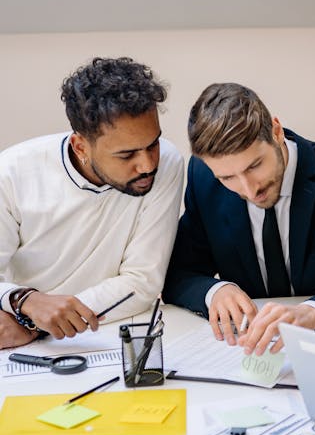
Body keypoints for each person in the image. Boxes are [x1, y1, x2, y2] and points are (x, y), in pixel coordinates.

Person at [163, 82, 315, 354]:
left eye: (255, 166)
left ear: (276, 131)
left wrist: (314, 312)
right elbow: (178, 273)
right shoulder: (203, 177)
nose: (249, 189)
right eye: (227, 177)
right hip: (245, 352)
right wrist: (216, 292)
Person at [0, 57, 184, 348]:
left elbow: (142, 282)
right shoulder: (10, 172)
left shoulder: (169, 163)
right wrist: (24, 303)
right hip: (18, 343)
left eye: (153, 144)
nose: (147, 164)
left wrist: (38, 325)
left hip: (112, 334)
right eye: (126, 155)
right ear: (81, 147)